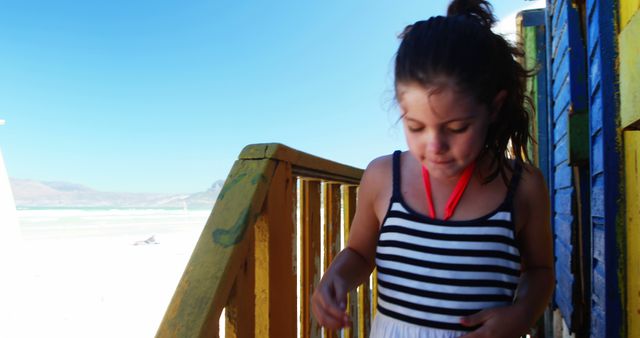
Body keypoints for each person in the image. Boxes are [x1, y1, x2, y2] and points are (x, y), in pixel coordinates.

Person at [311, 0, 554, 337]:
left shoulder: (523, 186)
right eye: (415, 126)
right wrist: (334, 278)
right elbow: (359, 253)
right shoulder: (383, 177)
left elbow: (540, 270)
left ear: (494, 108)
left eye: (456, 128)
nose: (434, 146)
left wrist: (523, 313)